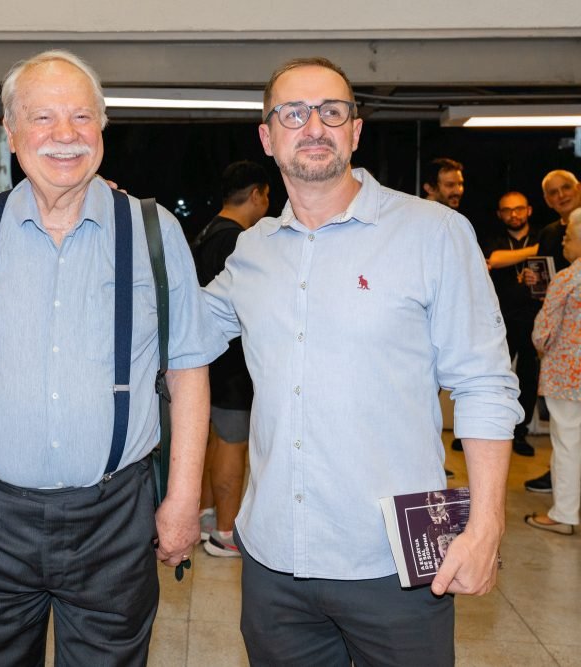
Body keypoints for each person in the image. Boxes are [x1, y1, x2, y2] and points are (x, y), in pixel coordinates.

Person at [202, 56, 522, 666]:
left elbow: (484, 385)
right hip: (275, 567)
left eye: (332, 111)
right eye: (293, 113)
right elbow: (182, 329)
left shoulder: (434, 233)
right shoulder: (254, 250)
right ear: (268, 138)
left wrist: (485, 527)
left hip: (394, 564)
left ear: (355, 129)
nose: (314, 125)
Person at [0, 49, 224, 665]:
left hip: (115, 515)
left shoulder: (152, 230)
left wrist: (184, 498)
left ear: (103, 130)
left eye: (81, 118)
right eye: (43, 118)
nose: (65, 135)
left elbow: (188, 368)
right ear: (10, 132)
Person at [192, 160, 269, 558]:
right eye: (267, 196)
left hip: (208, 359)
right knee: (232, 443)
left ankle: (206, 514)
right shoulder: (238, 240)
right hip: (231, 364)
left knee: (215, 440)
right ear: (256, 193)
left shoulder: (208, 230)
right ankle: (225, 531)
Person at [467, 192, 541, 457]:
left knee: (529, 377)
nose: (514, 214)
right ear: (500, 214)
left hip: (534, 319)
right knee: (494, 377)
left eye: (519, 208)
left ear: (529, 210)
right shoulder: (494, 238)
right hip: (498, 320)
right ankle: (488, 430)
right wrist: (535, 252)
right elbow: (495, 259)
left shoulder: (541, 235)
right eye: (507, 210)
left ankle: (519, 433)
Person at [526, 207, 581, 536]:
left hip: (567, 377)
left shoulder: (568, 278)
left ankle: (563, 514)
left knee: (568, 443)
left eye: (570, 237)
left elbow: (541, 332)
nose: (564, 241)